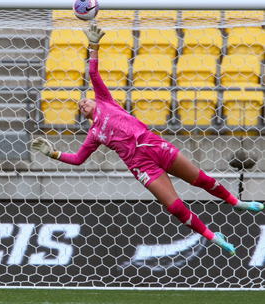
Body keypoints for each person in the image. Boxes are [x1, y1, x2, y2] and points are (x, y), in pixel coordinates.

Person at [32, 24, 264, 256]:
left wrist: (93, 45)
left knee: (199, 179)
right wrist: (53, 153)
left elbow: (93, 73)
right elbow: (78, 159)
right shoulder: (94, 134)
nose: (82, 104)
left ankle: (236, 203)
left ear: (93, 100)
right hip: (141, 166)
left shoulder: (105, 101)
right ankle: (213, 237)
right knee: (174, 207)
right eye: (80, 107)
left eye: (84, 101)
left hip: (154, 145)